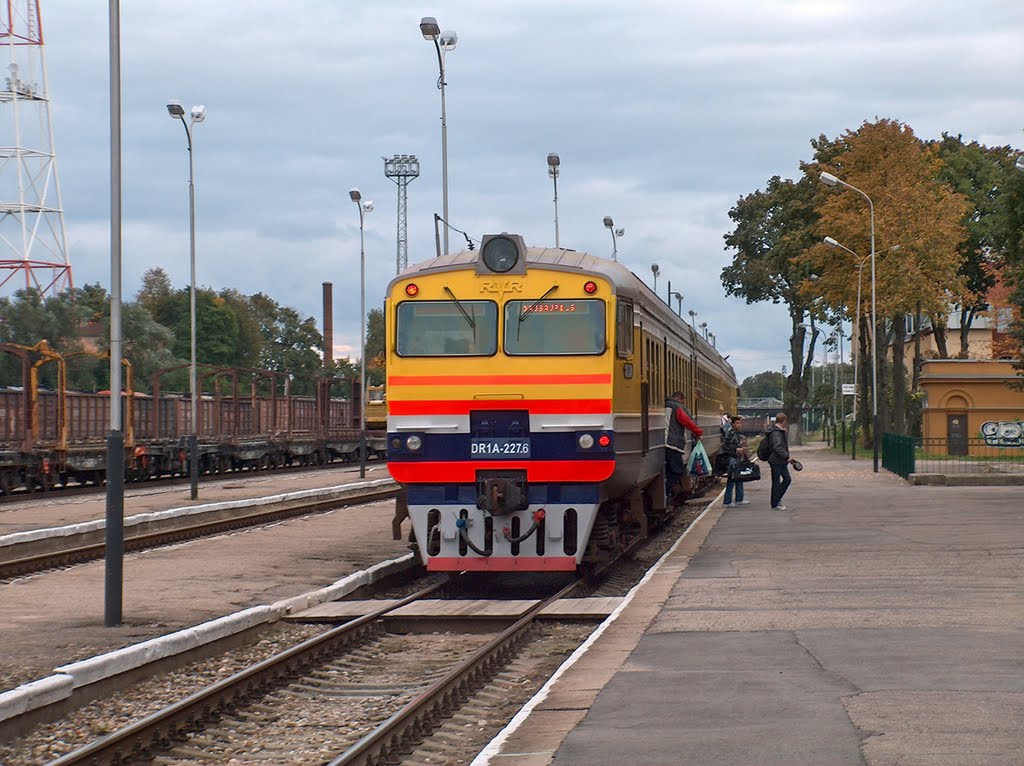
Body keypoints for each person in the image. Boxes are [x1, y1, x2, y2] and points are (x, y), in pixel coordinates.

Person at [665, 390, 703, 503]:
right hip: (672, 444)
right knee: (678, 470)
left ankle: (668, 493)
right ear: (681, 399)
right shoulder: (677, 407)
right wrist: (698, 432)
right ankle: (667, 493)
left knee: (669, 469)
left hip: (661, 443)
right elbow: (687, 421)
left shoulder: (664, 405)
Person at [767, 412, 798, 510]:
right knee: (777, 482)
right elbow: (778, 446)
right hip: (776, 460)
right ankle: (775, 502)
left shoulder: (779, 431)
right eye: (786, 421)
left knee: (787, 479)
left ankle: (776, 499)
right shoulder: (776, 433)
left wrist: (784, 433)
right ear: (783, 421)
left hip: (780, 460)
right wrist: (787, 457)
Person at [722, 415, 749, 507]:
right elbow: (725, 445)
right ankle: (727, 501)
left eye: (740, 423)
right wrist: (736, 449)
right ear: (732, 424)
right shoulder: (731, 433)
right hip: (732, 458)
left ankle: (739, 499)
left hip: (737, 458)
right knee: (732, 479)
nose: (739, 425)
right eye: (737, 423)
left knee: (739, 478)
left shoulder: (736, 433)